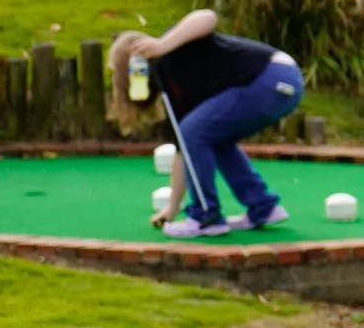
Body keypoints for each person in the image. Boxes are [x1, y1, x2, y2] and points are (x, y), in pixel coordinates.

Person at [110, 12, 304, 239]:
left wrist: (162, 45)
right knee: (211, 138)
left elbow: (207, 17)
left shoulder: (174, 47)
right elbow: (185, 151)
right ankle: (263, 207)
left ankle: (205, 218)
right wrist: (172, 209)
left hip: (271, 77)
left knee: (195, 132)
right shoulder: (172, 88)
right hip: (279, 83)